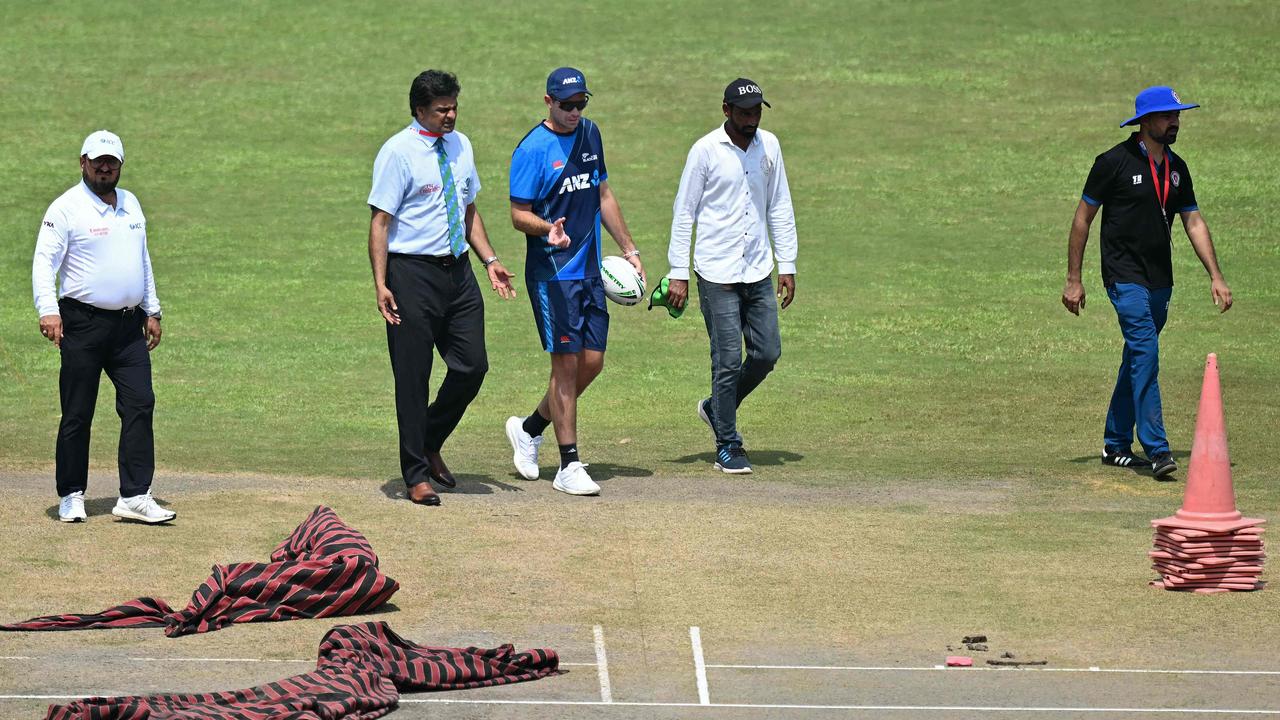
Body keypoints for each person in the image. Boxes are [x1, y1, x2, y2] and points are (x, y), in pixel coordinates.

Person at [1062, 85, 1233, 477]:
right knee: (1146, 350)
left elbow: (1193, 221)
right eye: (1167, 116)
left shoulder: (1177, 168)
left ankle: (1115, 442)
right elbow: (1082, 219)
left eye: (1177, 115)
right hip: (1123, 277)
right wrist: (1074, 279)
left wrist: (1216, 276)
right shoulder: (1112, 162)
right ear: (1144, 121)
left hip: (1161, 280)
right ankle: (1157, 449)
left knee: (1138, 356)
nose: (1175, 122)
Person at [368, 69, 516, 506]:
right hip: (411, 275)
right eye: (442, 109)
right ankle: (415, 474)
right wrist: (381, 284)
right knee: (412, 378)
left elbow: (468, 208)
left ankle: (429, 438)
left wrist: (490, 260)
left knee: (473, 366)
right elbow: (380, 222)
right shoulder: (397, 152)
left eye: (454, 107)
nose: (451, 115)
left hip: (460, 272)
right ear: (420, 110)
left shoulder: (461, 145)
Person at [504, 67, 645, 496]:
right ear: (548, 102)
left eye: (581, 103)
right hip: (553, 275)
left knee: (592, 362)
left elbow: (603, 194)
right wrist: (547, 228)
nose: (574, 112)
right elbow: (517, 214)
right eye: (567, 105)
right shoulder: (532, 149)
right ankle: (568, 465)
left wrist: (630, 249)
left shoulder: (591, 135)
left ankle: (529, 429)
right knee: (564, 366)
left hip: (590, 272)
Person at [32, 130, 176, 524]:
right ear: (83, 163)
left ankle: (134, 495)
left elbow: (141, 260)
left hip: (129, 325)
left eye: (112, 161)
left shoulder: (131, 204)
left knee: (140, 402)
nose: (105, 167)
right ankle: (71, 493)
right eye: (98, 161)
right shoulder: (65, 209)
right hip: (82, 322)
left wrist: (153, 310)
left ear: (120, 165)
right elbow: (44, 262)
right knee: (78, 411)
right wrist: (49, 311)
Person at [663, 79, 797, 475]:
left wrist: (786, 263)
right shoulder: (704, 151)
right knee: (726, 360)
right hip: (715, 271)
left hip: (757, 267)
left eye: (756, 112)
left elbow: (779, 205)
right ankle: (728, 442)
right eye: (743, 112)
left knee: (767, 353)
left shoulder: (769, 147)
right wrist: (678, 273)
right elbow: (684, 212)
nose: (751, 119)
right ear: (726, 110)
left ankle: (714, 408)